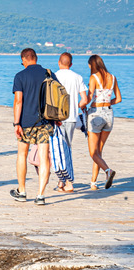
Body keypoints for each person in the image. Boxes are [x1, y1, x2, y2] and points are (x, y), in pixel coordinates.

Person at [11, 48, 56, 206]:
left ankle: (22, 192)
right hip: (45, 122)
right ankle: (41, 195)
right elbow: (56, 98)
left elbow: (18, 101)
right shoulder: (49, 73)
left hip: (26, 123)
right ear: (36, 58)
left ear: (24, 59)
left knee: (22, 155)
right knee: (44, 158)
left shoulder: (20, 76)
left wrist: (17, 123)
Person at [53, 52, 88, 193]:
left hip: (56, 118)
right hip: (71, 118)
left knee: (58, 150)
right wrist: (75, 107)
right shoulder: (77, 77)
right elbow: (84, 100)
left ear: (59, 62)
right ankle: (62, 182)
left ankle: (68, 182)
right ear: (71, 64)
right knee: (67, 149)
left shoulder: (53, 76)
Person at [84, 54, 120, 190]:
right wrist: (105, 103)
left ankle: (108, 171)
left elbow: (88, 97)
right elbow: (118, 98)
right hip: (109, 115)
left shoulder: (94, 78)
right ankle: (93, 183)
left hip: (96, 115)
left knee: (93, 153)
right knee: (99, 151)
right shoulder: (113, 77)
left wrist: (81, 104)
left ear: (92, 65)